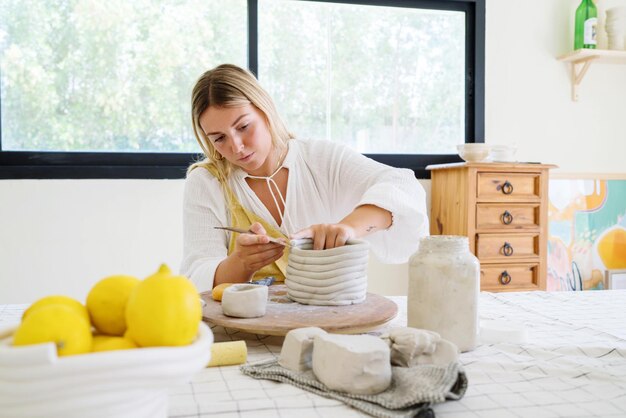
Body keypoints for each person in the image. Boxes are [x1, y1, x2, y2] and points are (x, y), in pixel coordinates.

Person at [181, 64, 429, 292]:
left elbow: (402, 186)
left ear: (265, 110)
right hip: (244, 331)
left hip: (328, 320)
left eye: (244, 127)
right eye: (219, 138)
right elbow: (197, 276)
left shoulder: (320, 158)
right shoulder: (206, 182)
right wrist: (241, 263)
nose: (236, 147)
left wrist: (348, 228)